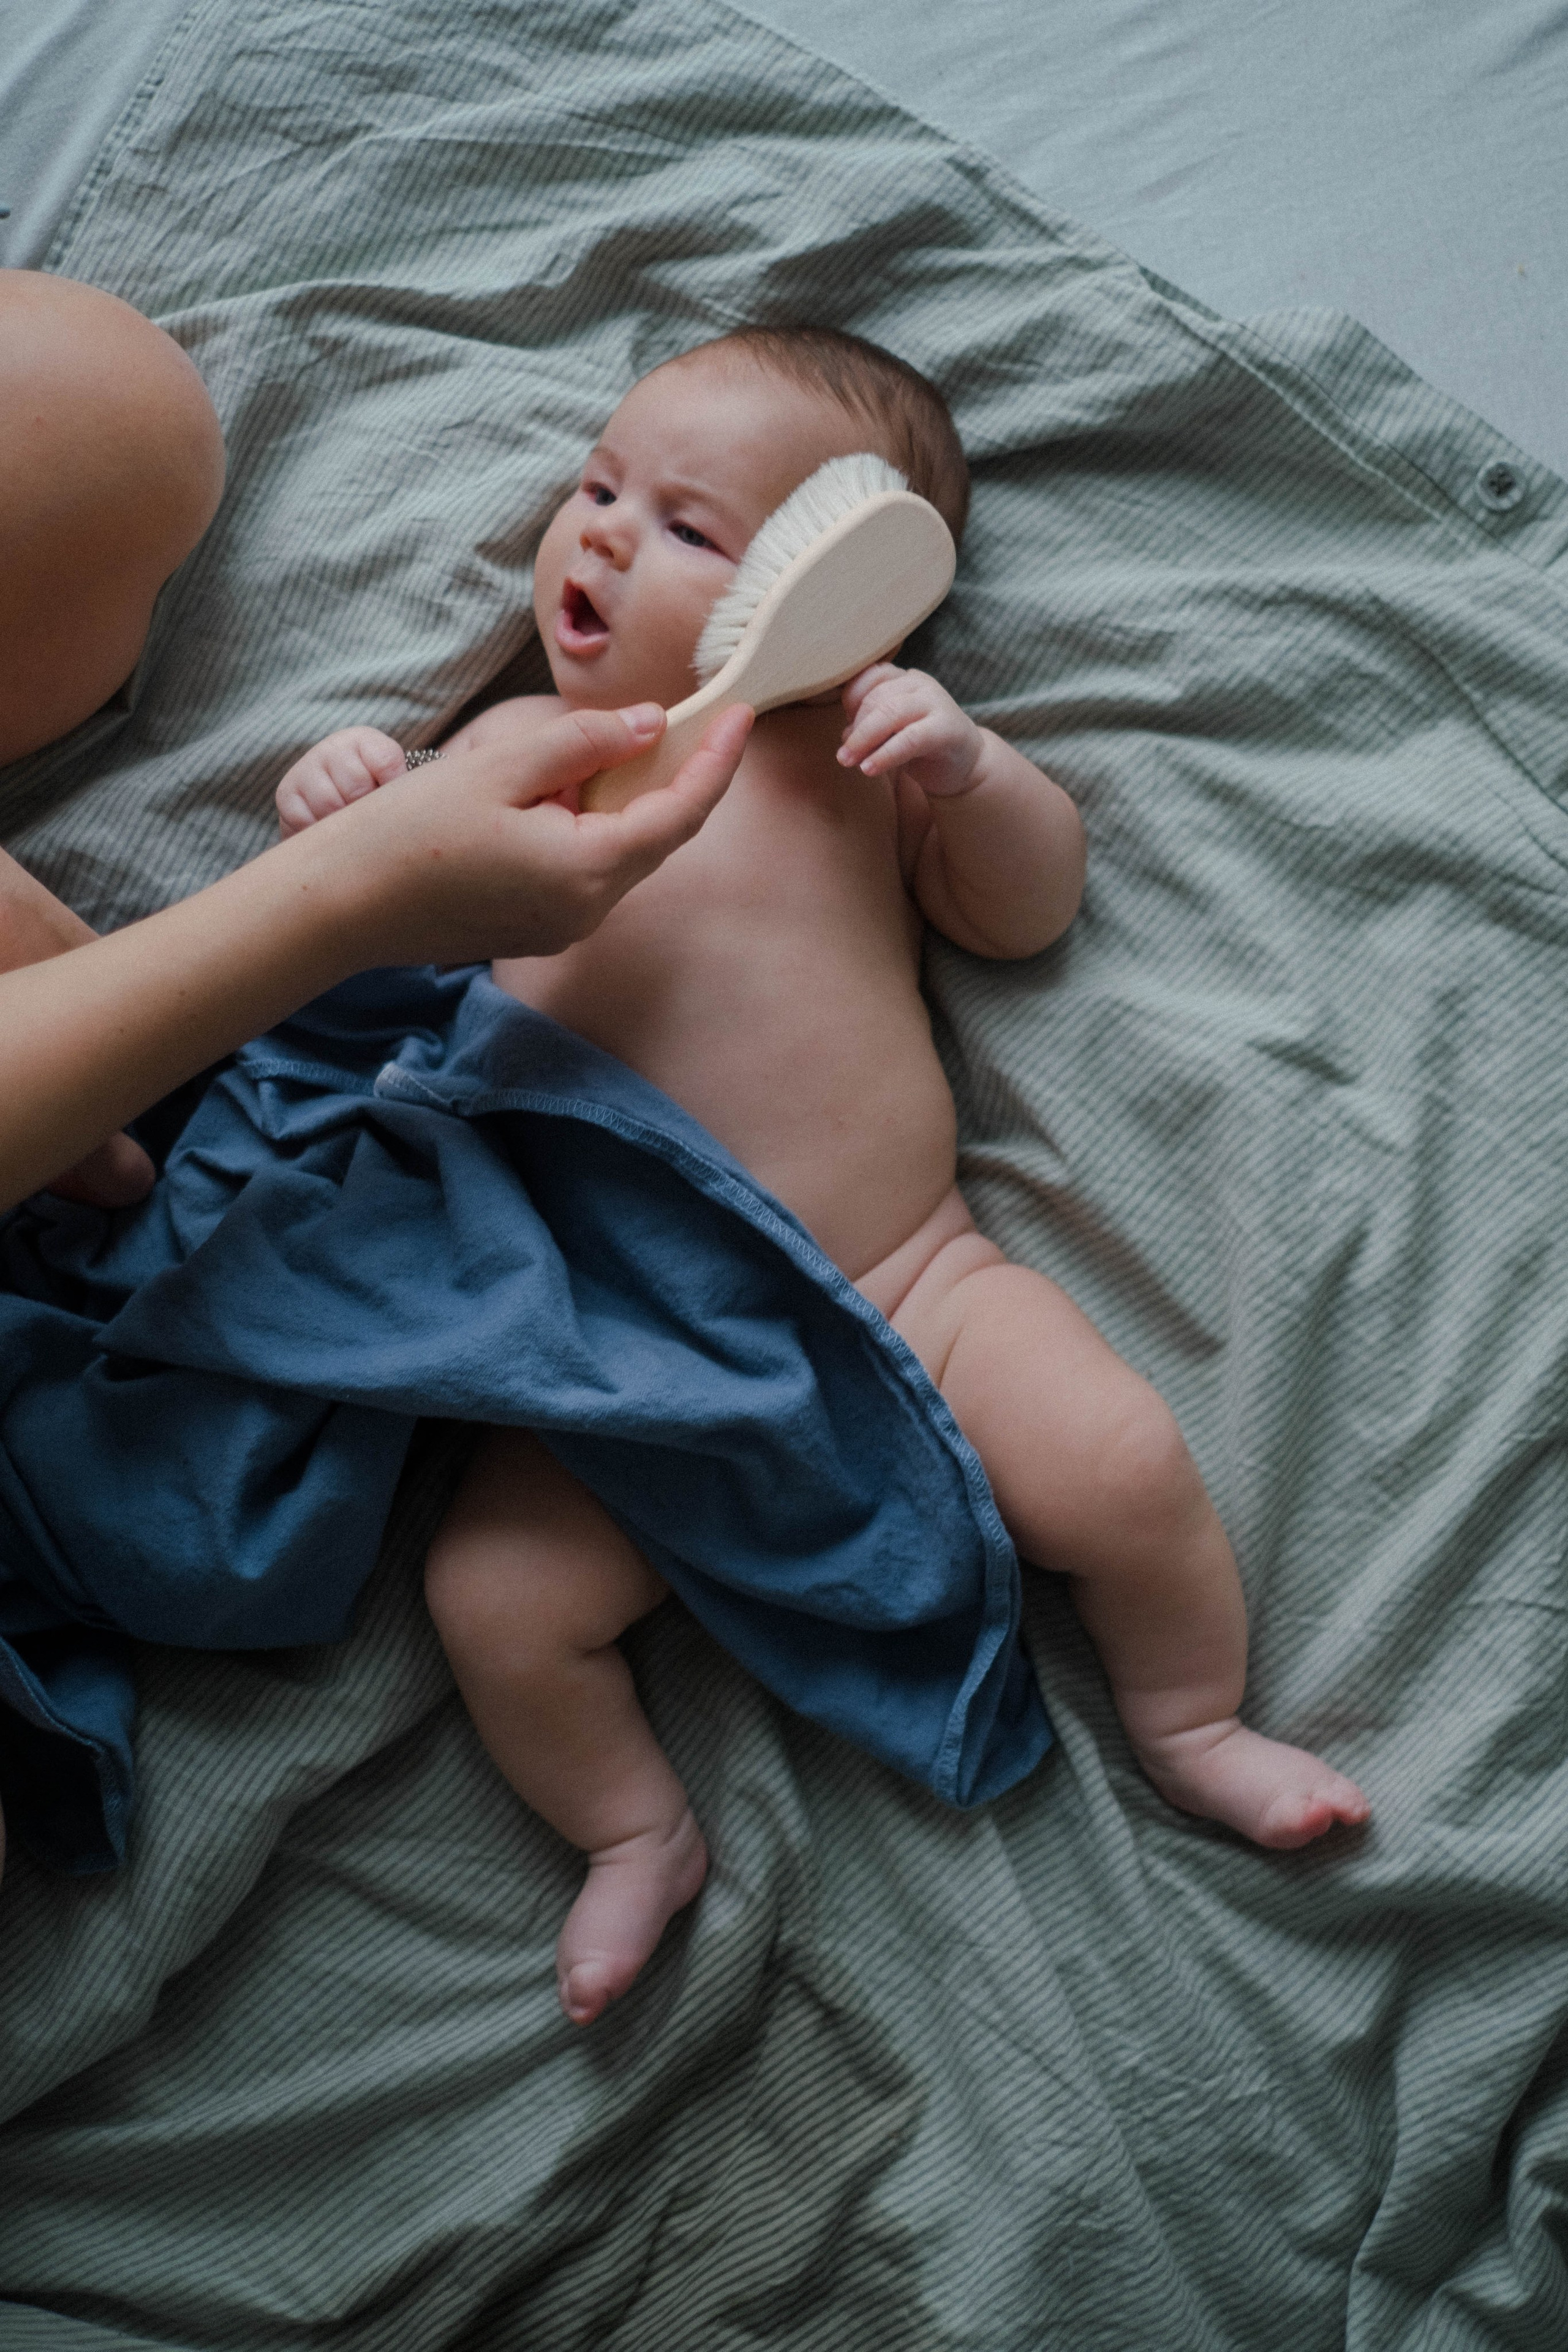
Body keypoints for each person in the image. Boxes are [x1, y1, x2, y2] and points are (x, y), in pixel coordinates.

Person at [277, 325, 1371, 2029]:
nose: (603, 533)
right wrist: (346, 802)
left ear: (846, 592)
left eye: (689, 526)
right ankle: (635, 1832)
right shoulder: (519, 758)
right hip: (620, 1343)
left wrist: (973, 774)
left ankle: (1192, 1720)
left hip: (907, 1282)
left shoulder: (842, 761)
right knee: (493, 1600)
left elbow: (1025, 911)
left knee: (1121, 1463)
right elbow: (361, 928)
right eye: (598, 487)